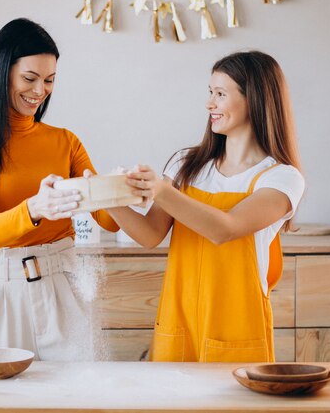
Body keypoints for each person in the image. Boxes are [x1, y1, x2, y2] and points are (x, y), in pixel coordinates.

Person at [105, 51, 305, 363]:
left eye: (220, 94)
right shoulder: (187, 164)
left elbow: (225, 228)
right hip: (178, 320)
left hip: (237, 328)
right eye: (210, 92)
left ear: (254, 99)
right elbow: (149, 234)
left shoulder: (281, 178)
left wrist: (159, 189)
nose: (209, 104)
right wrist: (107, 196)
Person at [0, 18, 118, 361]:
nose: (40, 91)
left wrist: (122, 189)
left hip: (63, 286)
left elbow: (110, 222)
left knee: (73, 398)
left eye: (50, 80)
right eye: (30, 78)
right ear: (1, 72)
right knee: (2, 402)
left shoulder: (65, 142)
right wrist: (36, 207)